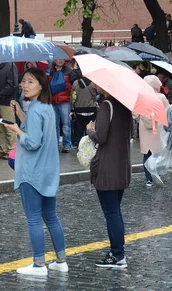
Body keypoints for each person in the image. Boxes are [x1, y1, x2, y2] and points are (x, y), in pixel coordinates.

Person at [4, 67, 68, 276]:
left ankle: (39, 265)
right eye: (23, 81)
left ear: (41, 85)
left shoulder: (36, 109)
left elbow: (32, 141)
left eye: (30, 81)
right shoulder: (45, 107)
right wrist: (20, 114)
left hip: (32, 172)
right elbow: (35, 128)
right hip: (48, 171)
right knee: (51, 217)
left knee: (33, 218)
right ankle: (61, 260)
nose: (25, 85)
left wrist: (16, 130)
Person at [86, 84, 132, 268]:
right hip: (121, 166)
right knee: (115, 212)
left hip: (107, 168)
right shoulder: (125, 105)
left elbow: (101, 136)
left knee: (111, 213)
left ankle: (117, 255)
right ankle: (117, 251)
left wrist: (90, 129)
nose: (93, 85)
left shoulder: (107, 105)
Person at [134, 75, 169, 187]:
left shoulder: (141, 97)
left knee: (146, 153)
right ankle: (156, 173)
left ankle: (148, 179)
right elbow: (168, 111)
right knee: (157, 152)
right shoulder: (161, 97)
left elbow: (134, 114)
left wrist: (141, 118)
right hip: (158, 127)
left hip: (144, 128)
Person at [0, 62, 18, 159]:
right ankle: (3, 149)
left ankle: (12, 150)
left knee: (9, 126)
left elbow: (13, 85)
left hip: (6, 101)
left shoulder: (10, 65)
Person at [49, 59, 73, 153]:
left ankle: (66, 145)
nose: (59, 60)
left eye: (61, 59)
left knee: (66, 124)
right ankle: (55, 144)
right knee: (54, 124)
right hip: (53, 101)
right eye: (58, 58)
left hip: (64, 100)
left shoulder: (69, 72)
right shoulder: (50, 72)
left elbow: (72, 85)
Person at [71, 72, 97, 147]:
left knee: (79, 129)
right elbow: (95, 96)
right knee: (91, 129)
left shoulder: (75, 83)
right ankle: (91, 145)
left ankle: (79, 145)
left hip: (79, 109)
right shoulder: (93, 83)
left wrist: (72, 109)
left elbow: (73, 97)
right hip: (91, 109)